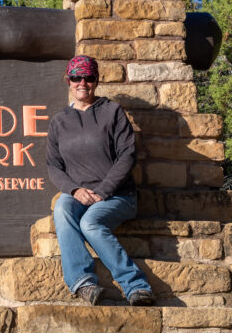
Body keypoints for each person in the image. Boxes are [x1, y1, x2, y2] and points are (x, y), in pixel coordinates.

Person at [45, 55, 154, 306]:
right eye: (76, 77)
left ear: (96, 80)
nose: (82, 82)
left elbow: (127, 156)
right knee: (62, 207)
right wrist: (74, 190)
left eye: (88, 77)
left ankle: (136, 286)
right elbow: (54, 166)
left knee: (91, 223)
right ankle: (83, 282)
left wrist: (103, 191)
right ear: (68, 81)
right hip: (79, 195)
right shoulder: (59, 122)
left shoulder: (112, 112)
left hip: (117, 196)